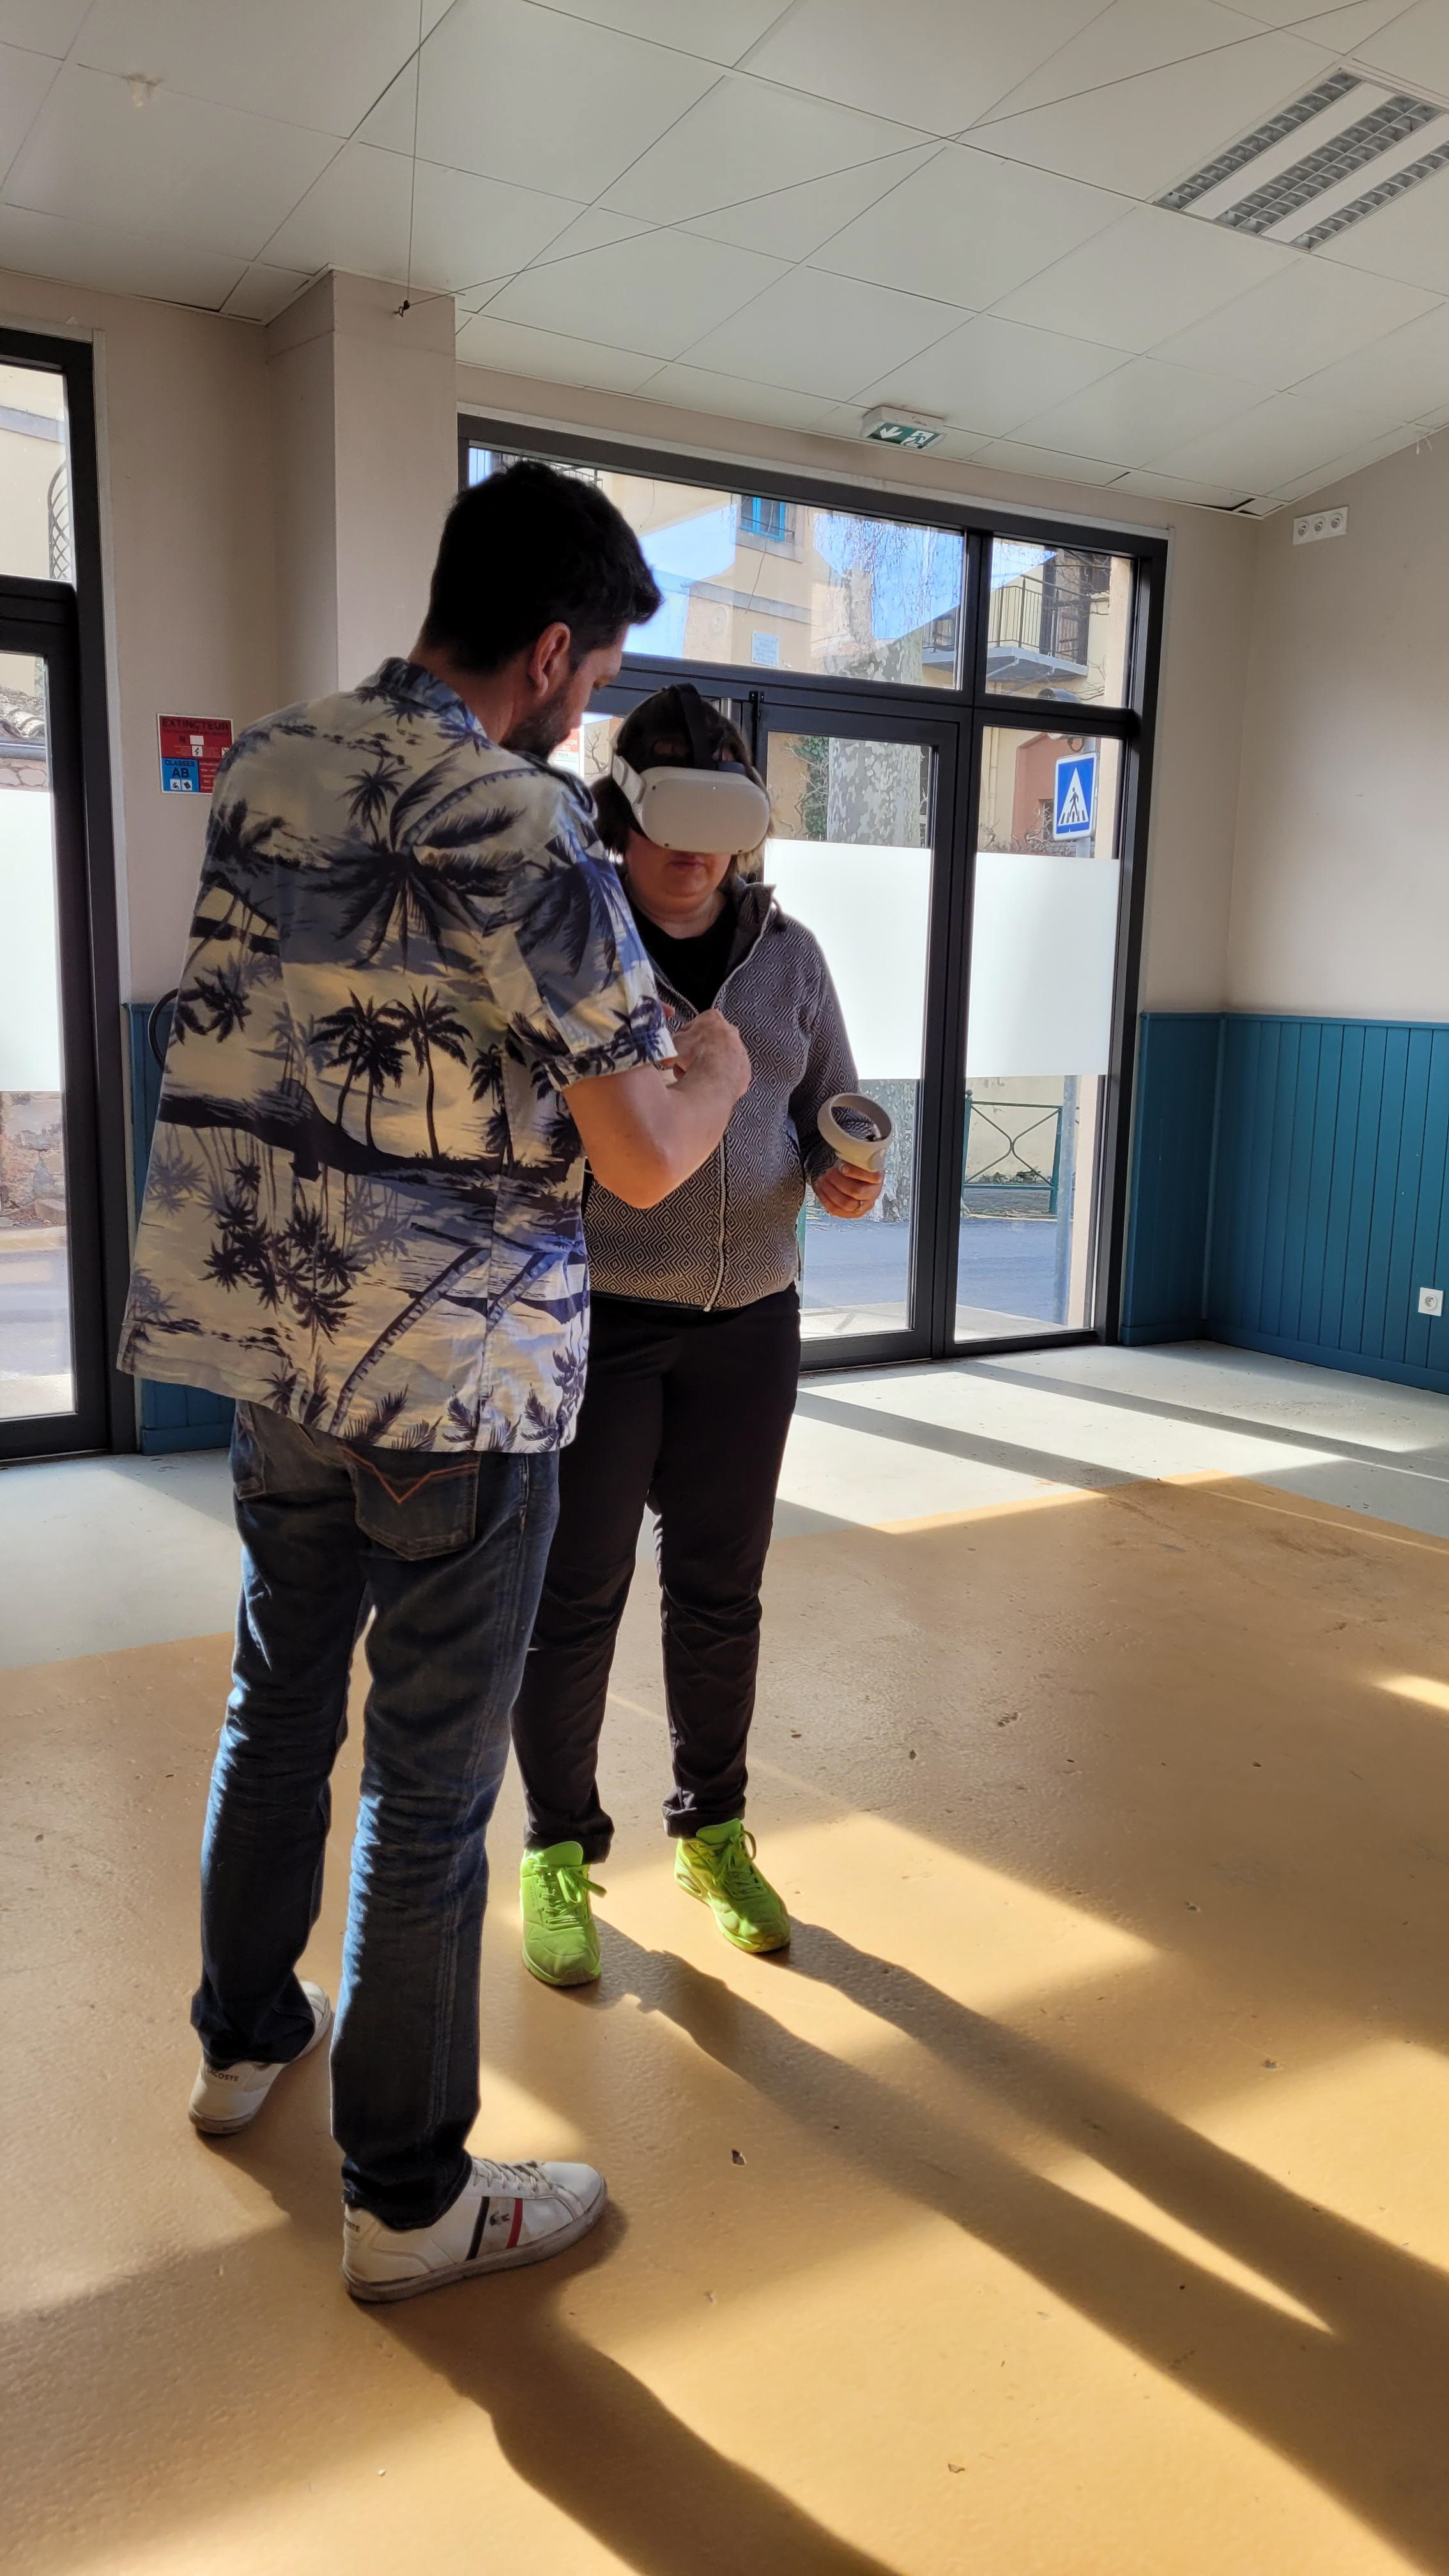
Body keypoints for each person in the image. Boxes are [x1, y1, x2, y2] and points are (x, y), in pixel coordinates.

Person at [118, 466, 750, 2303]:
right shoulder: (525, 823)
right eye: (595, 671)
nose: (586, 703)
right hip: (456, 1383)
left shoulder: (267, 765)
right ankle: (408, 2199)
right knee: (427, 1788)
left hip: (277, 1346)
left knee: (274, 1703)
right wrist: (712, 1071)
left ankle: (243, 2040)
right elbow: (641, 1156)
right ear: (551, 650)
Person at [511, 685, 880, 1986]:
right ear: (621, 819)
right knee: (575, 1597)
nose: (693, 852)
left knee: (721, 1594)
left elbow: (831, 1104)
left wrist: (844, 1174)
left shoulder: (793, 957)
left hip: (750, 1324)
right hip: (600, 1324)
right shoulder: (578, 952)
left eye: (720, 822)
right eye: (668, 818)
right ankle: (557, 1848)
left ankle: (712, 1833)